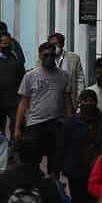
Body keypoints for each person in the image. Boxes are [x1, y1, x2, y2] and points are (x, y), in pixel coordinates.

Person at [15, 42, 72, 175]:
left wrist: (69, 122)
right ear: (40, 56)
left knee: (55, 160)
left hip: (56, 124)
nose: (49, 58)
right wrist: (17, 128)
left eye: (52, 55)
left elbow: (67, 100)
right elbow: (23, 102)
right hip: (35, 124)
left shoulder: (64, 76)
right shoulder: (30, 76)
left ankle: (53, 185)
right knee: (32, 161)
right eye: (46, 55)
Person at [60, 89, 102, 203]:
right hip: (76, 172)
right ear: (80, 102)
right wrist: (59, 169)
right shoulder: (71, 123)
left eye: (92, 101)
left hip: (98, 170)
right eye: (85, 101)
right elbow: (62, 146)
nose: (88, 104)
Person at [0, 32, 26, 135]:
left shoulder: (15, 56)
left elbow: (22, 75)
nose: (7, 46)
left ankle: (15, 148)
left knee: (18, 126)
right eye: (4, 44)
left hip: (14, 100)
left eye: (8, 43)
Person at [49, 32, 86, 108]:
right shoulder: (45, 58)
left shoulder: (74, 58)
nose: (53, 47)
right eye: (51, 45)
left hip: (69, 100)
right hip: (50, 102)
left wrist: (79, 98)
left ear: (62, 44)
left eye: (55, 44)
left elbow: (80, 80)